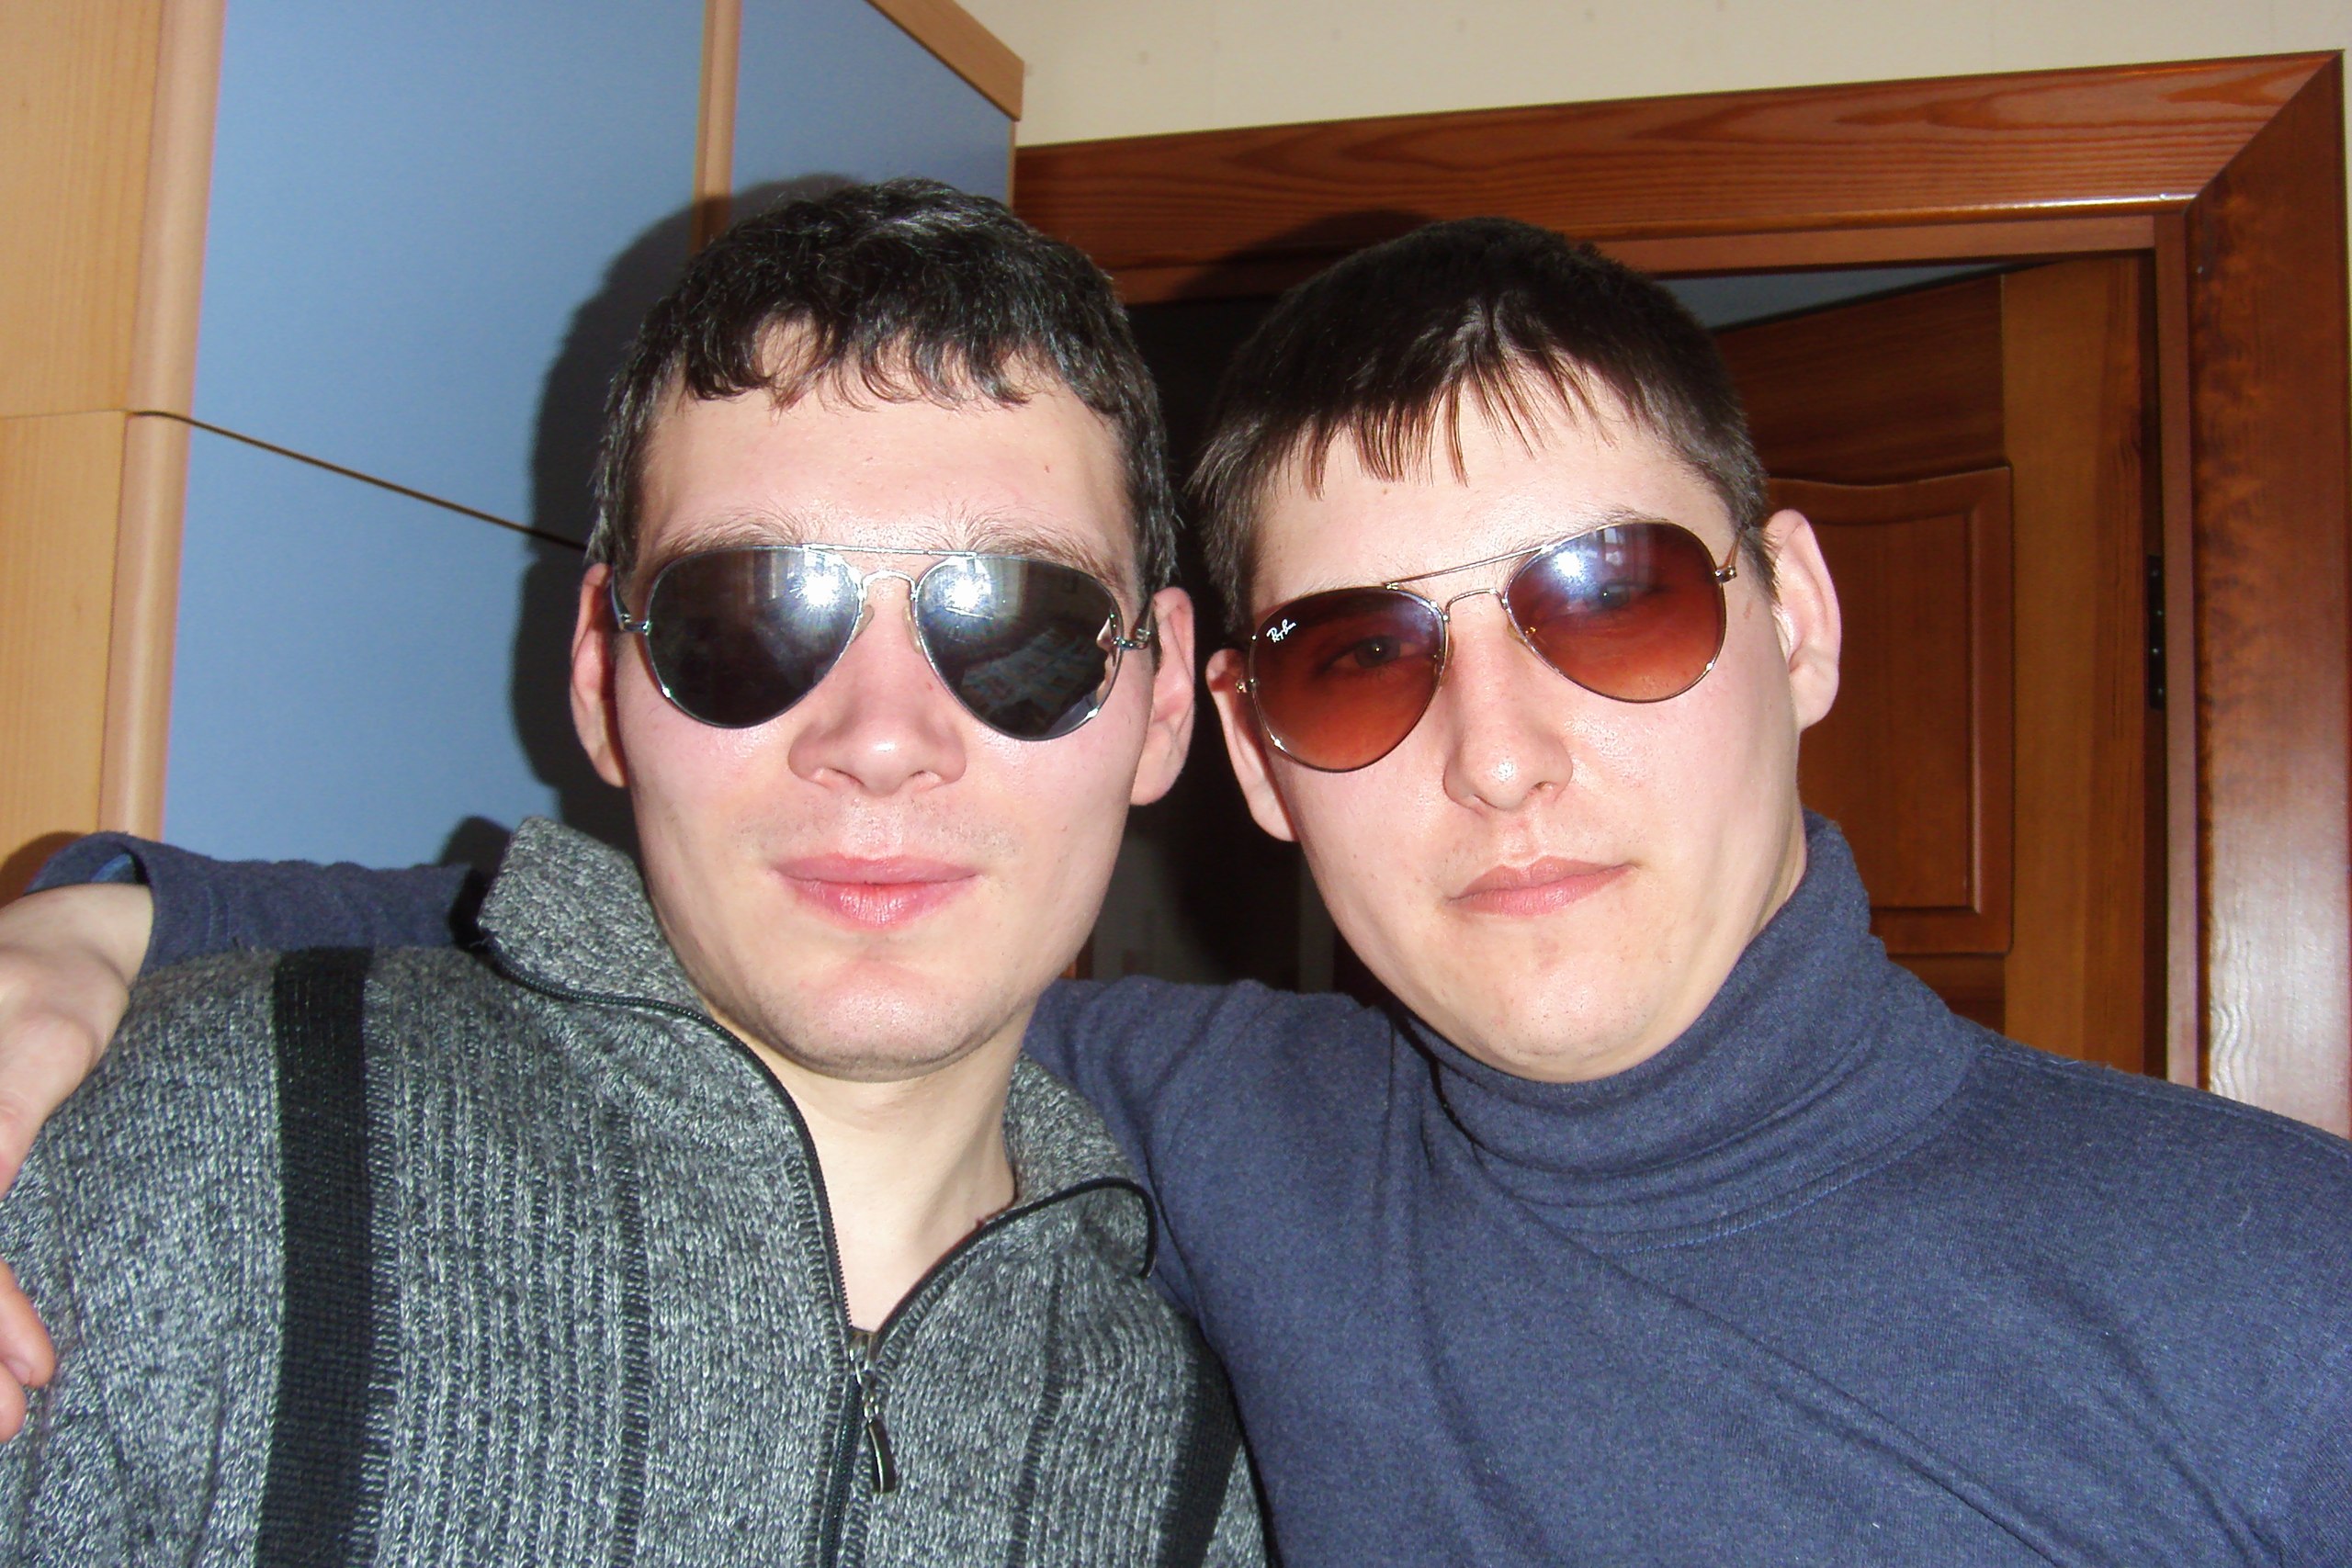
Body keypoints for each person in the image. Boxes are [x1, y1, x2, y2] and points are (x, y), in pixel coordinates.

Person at [6, 218, 2352, 1565]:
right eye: (1356, 656)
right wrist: (100, 921)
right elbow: (724, 937)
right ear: (1238, 741)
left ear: (1798, 618)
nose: (1498, 746)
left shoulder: (2278, 1296)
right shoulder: (1232, 1132)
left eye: (1609, 595)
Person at [0, 180, 1263, 1564]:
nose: (879, 741)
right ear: (603, 679)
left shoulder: (1207, 1477)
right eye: (750, 618)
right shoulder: (151, 1176)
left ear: (1161, 709)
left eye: (1018, 624)